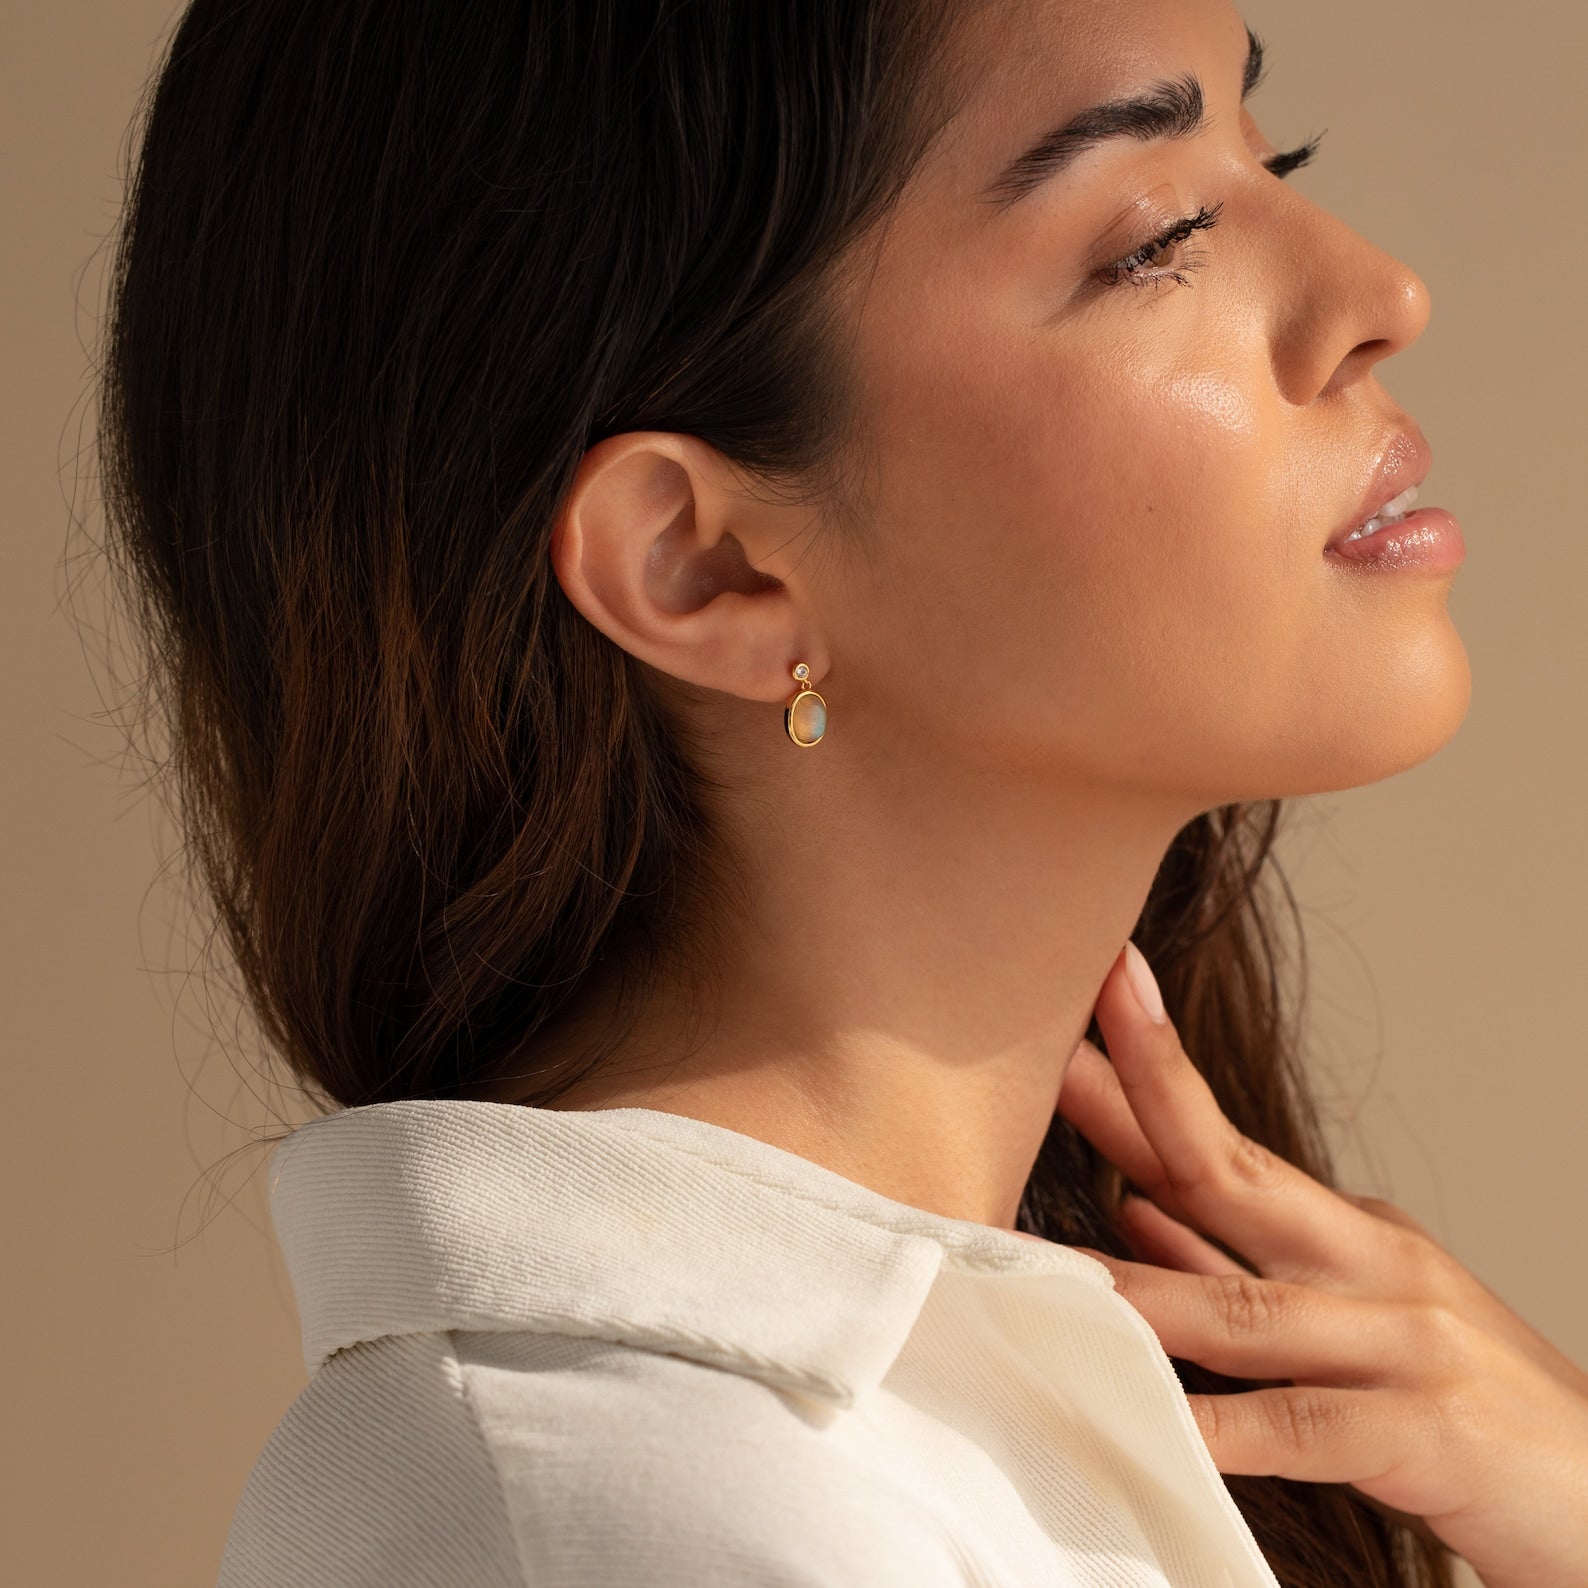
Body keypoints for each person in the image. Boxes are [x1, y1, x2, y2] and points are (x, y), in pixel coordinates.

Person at [93, 0, 1588, 1584]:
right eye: (1160, 236)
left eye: (1272, 153)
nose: (1382, 294)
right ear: (704, 564)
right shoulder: (655, 1517)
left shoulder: (940, 1414)